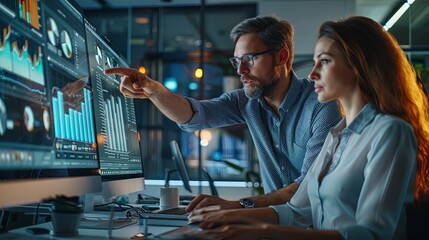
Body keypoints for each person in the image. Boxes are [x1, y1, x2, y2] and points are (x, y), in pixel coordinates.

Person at [187, 16, 429, 240]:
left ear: (359, 65)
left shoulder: (390, 132)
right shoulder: (336, 135)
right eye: (315, 62)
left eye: (324, 61)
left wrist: (261, 231)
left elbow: (371, 233)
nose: (312, 74)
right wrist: (228, 215)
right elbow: (298, 211)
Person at [105, 16, 341, 210]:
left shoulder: (322, 104)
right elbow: (194, 115)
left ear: (281, 56)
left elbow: (308, 186)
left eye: (249, 59)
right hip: (273, 223)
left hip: (316, 227)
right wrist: (153, 90)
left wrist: (239, 205)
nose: (240, 70)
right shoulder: (245, 102)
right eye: (236, 61)